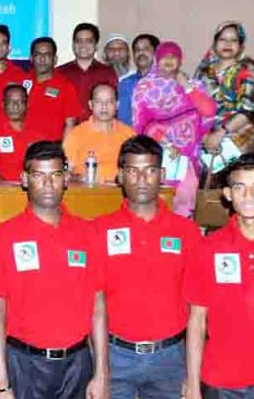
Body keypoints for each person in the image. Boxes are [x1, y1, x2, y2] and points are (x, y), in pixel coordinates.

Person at [0, 142, 107, 399]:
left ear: (66, 179)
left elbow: (98, 306)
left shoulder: (87, 233)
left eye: (55, 175)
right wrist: (0, 381)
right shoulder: (3, 236)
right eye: (39, 175)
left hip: (77, 363)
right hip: (24, 364)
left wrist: (102, 373)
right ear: (25, 180)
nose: (49, 183)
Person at [94, 136, 202, 399]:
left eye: (150, 170)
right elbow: (94, 303)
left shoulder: (186, 232)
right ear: (120, 176)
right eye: (133, 171)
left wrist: (192, 376)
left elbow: (198, 309)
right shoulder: (98, 230)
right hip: (115, 357)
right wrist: (101, 371)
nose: (142, 179)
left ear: (162, 174)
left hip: (171, 360)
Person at [184, 155, 254, 398]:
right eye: (240, 187)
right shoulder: (207, 248)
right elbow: (196, 322)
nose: (248, 195)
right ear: (228, 193)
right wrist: (194, 385)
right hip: (221, 382)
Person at [133, 41, 215, 217]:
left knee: (185, 205)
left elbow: (208, 111)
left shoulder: (194, 85)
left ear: (181, 60)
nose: (169, 60)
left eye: (174, 57)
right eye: (164, 57)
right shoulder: (144, 87)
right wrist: (166, 144)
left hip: (188, 158)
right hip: (160, 153)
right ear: (157, 59)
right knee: (158, 204)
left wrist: (186, 86)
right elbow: (140, 122)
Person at [194, 21, 254, 158]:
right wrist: (205, 137)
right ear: (215, 44)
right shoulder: (203, 73)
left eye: (233, 40)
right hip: (207, 142)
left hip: (242, 142)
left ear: (241, 46)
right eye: (222, 39)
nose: (227, 44)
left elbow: (249, 111)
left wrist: (221, 133)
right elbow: (194, 107)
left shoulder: (248, 71)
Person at [63, 83, 136, 183]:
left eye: (109, 101)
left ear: (117, 105)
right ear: (90, 105)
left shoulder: (129, 134)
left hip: (120, 192)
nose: (104, 106)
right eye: (98, 101)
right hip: (87, 192)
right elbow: (64, 173)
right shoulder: (76, 135)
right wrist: (81, 178)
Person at [56, 23, 119, 121]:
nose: (83, 45)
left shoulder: (107, 73)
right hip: (66, 131)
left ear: (96, 45)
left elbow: (113, 105)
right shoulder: (60, 73)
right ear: (73, 45)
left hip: (98, 131)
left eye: (88, 41)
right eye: (79, 41)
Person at [23, 37, 81, 141]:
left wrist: (64, 153)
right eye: (38, 54)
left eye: (47, 55)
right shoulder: (20, 81)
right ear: (31, 58)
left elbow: (70, 124)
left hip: (50, 150)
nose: (42, 59)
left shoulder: (65, 86)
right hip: (22, 148)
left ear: (55, 59)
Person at [0, 84, 42, 181]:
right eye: (11, 102)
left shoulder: (38, 134)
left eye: (20, 102)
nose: (15, 106)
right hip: (3, 191)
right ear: (3, 104)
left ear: (27, 105)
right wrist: (7, 189)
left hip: (31, 189)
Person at [117, 34, 160, 125]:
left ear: (156, 52)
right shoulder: (126, 84)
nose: (141, 53)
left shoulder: (167, 82)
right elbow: (123, 120)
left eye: (146, 49)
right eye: (137, 50)